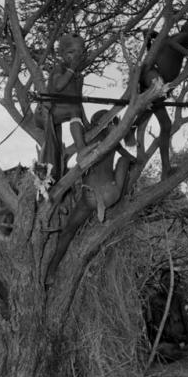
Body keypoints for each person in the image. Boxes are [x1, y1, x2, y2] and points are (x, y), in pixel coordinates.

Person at [47, 109, 131, 276]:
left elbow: (76, 122)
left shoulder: (88, 138)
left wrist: (76, 117)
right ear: (110, 124)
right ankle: (120, 199)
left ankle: (51, 271)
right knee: (124, 161)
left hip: (90, 196)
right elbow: (129, 156)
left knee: (69, 231)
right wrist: (131, 161)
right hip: (111, 193)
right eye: (114, 122)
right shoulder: (114, 140)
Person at [126, 20, 188, 180]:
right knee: (155, 97)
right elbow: (170, 43)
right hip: (153, 76)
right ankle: (131, 129)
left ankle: (166, 169)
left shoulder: (180, 41)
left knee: (166, 124)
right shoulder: (183, 36)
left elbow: (163, 44)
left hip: (160, 82)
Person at [36, 33, 90, 180]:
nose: (75, 57)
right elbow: (59, 86)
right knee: (73, 110)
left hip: (66, 111)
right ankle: (81, 150)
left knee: (75, 109)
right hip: (47, 112)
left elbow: (77, 102)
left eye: (79, 53)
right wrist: (71, 69)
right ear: (62, 54)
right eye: (71, 52)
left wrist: (85, 123)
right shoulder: (59, 69)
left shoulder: (78, 75)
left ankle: (81, 149)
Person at [146, 267, 188, 361]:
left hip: (186, 337)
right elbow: (160, 328)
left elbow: (185, 318)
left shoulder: (178, 297)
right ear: (161, 282)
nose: (171, 283)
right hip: (170, 341)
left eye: (175, 280)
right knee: (162, 350)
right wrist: (180, 338)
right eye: (167, 280)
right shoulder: (155, 300)